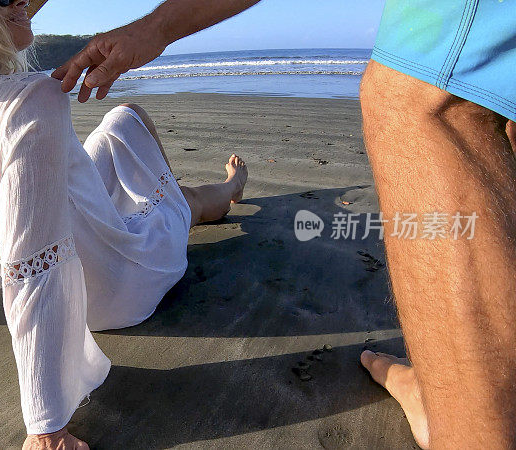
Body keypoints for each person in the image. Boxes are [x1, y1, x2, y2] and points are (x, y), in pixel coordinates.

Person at [53, 0, 516, 448]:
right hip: (126, 258)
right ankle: (467, 405)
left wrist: (153, 29)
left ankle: (466, 403)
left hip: (100, 262)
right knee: (460, 96)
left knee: (427, 96)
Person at [0, 0, 248, 448]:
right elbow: (35, 267)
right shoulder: (31, 98)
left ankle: (157, 194)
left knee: (113, 131)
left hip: (78, 271)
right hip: (120, 286)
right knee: (167, 179)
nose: (23, 2)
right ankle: (228, 186)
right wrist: (45, 426)